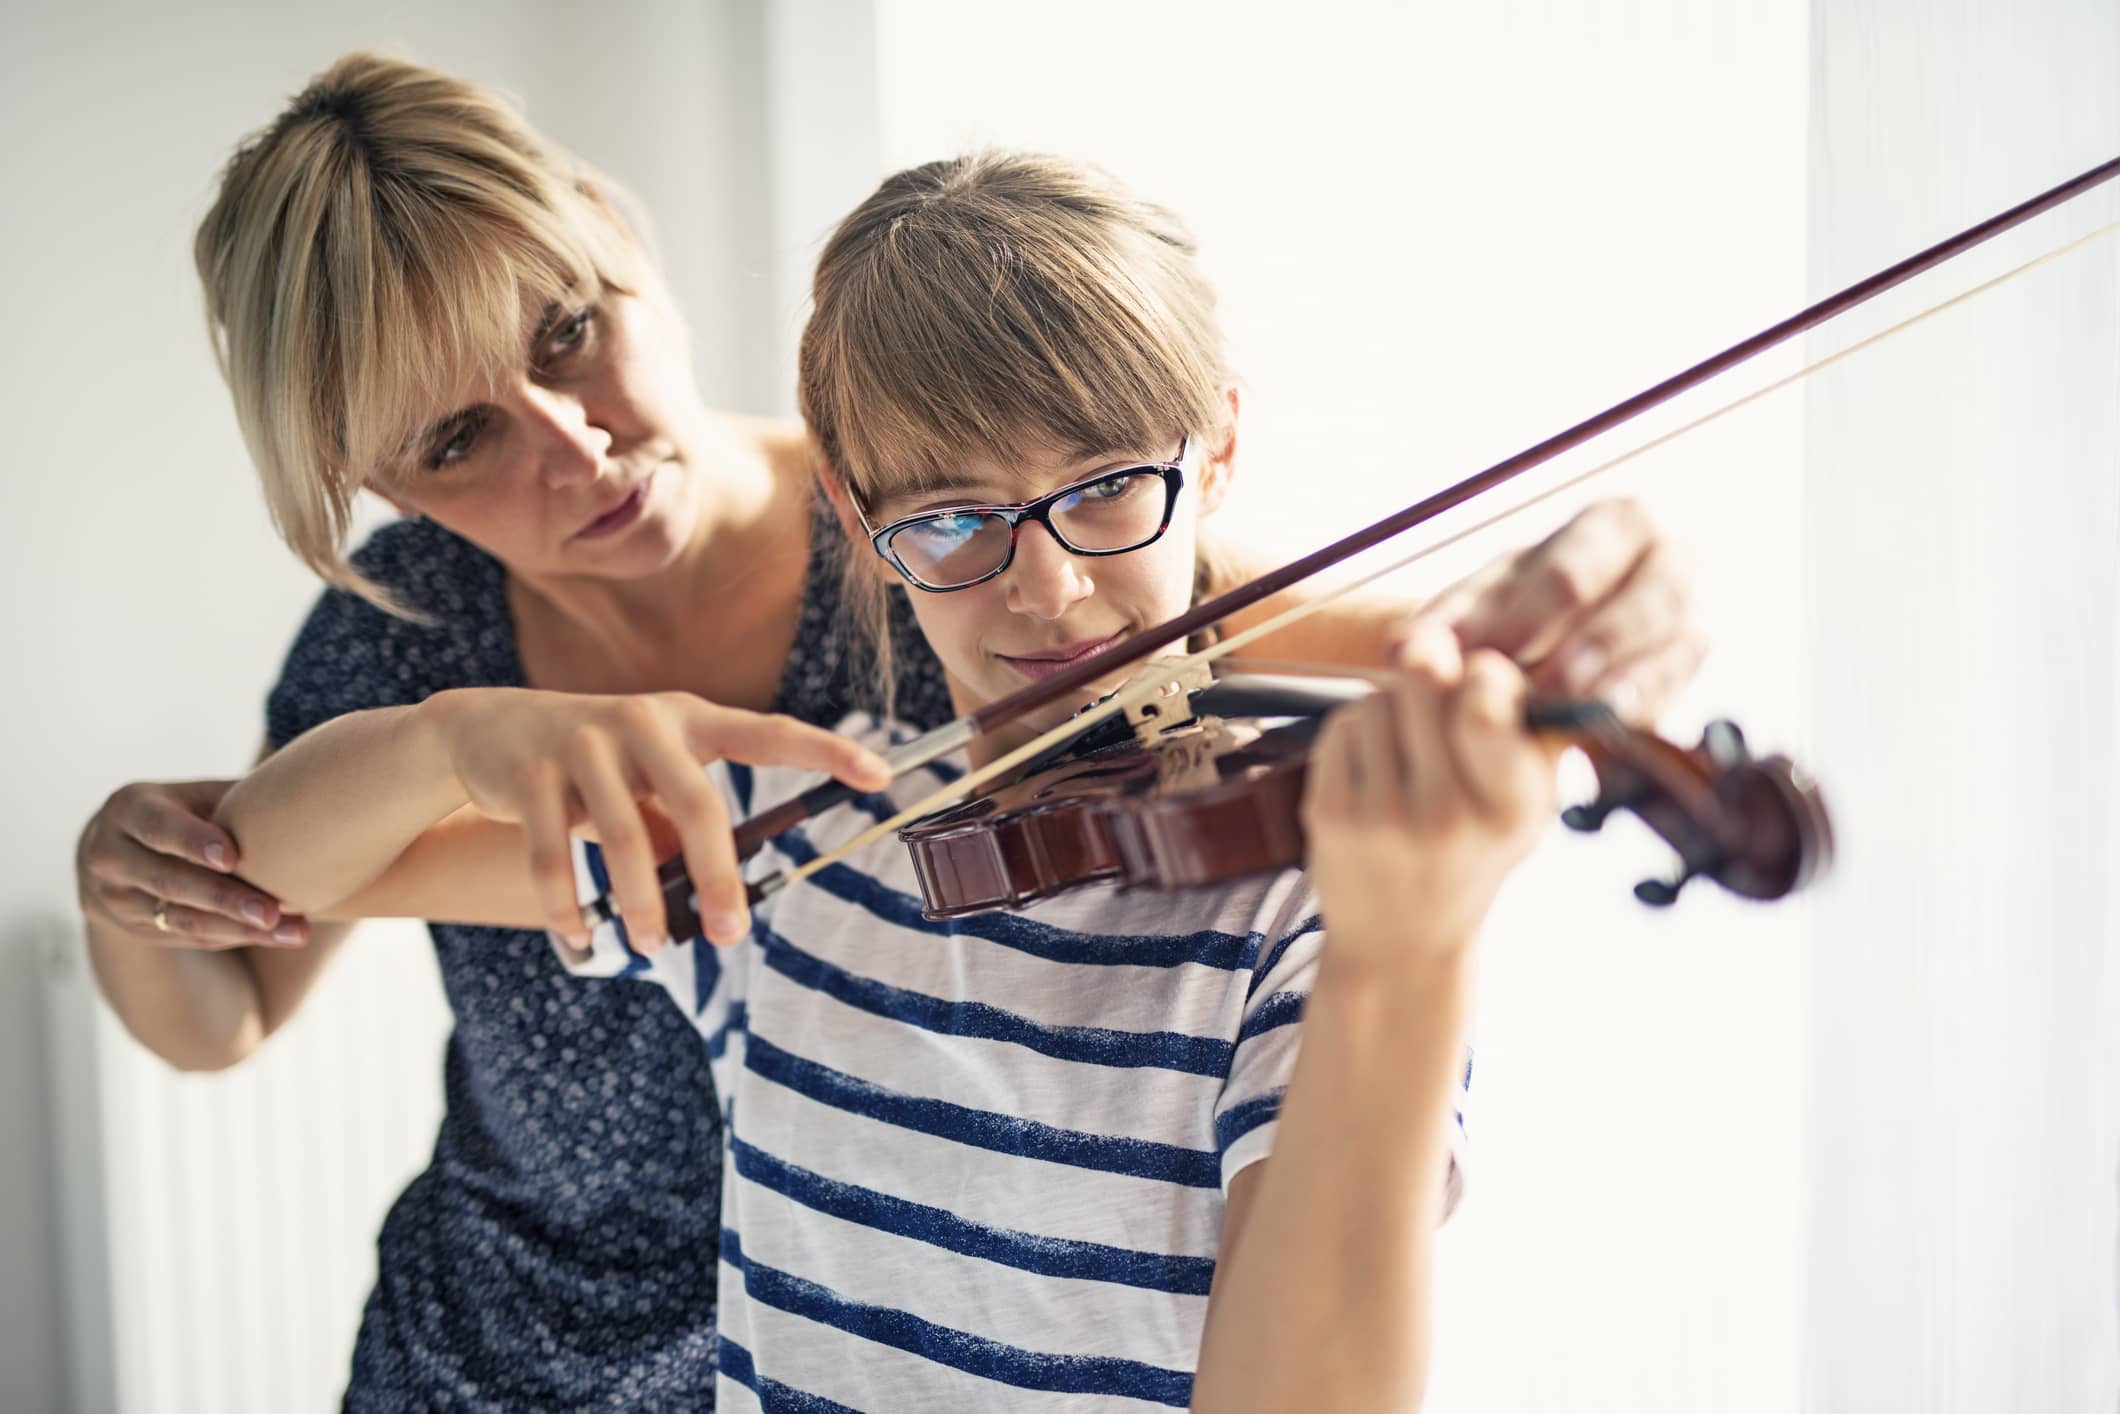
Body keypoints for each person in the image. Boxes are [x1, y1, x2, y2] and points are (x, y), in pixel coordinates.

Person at [72, 55, 1702, 1411]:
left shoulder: (959, 533)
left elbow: (1200, 598)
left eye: (568, 328)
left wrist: (1546, 649)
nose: (571, 449)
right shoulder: (612, 739)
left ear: (619, 242)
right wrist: (420, 749)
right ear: (380, 481)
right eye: (457, 435)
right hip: (507, 1350)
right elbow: (244, 937)